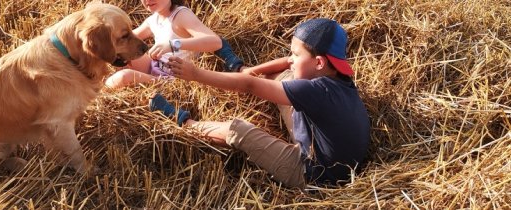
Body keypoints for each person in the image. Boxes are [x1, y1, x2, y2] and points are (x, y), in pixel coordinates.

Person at [149, 18, 370, 188]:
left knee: (239, 130)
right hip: (326, 152)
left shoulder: (315, 90)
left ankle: (186, 124)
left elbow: (248, 86)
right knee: (286, 76)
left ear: (319, 62)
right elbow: (284, 64)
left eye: (295, 54)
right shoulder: (337, 80)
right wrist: (250, 71)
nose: (290, 59)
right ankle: (240, 68)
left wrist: (195, 73)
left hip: (314, 173)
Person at [104, 0, 244, 89]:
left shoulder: (181, 16)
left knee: (124, 77)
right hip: (156, 66)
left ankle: (100, 94)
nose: (147, 0)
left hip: (175, 79)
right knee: (125, 57)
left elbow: (214, 42)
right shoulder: (153, 20)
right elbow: (124, 40)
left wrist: (173, 44)